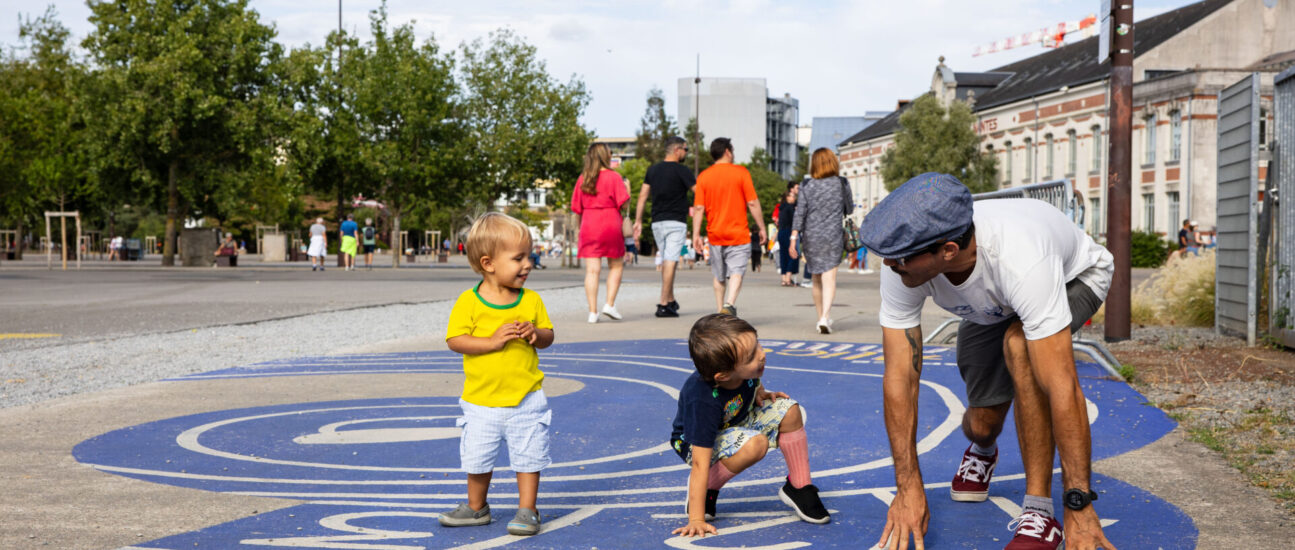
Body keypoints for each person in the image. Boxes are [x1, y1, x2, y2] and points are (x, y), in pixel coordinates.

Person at [859, 173, 1116, 550]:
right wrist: (908, 486)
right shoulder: (904, 263)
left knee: (1019, 345)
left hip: (1072, 277)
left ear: (947, 250)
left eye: (898, 258)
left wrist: (1078, 503)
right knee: (981, 425)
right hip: (992, 305)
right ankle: (983, 450)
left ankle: (1039, 512)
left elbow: (1063, 386)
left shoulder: (1021, 258)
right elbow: (900, 377)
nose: (888, 265)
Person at [441, 212, 555, 537]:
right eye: (518, 258)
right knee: (477, 459)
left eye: (529, 256)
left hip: (526, 399)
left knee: (528, 458)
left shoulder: (531, 300)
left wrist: (535, 334)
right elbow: (455, 340)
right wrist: (491, 342)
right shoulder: (469, 302)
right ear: (488, 263)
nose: (528, 264)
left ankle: (527, 509)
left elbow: (548, 335)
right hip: (481, 401)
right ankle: (476, 507)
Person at [669, 313, 830, 538]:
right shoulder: (703, 400)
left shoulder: (743, 370)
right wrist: (696, 519)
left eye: (758, 345)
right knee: (756, 445)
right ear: (723, 375)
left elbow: (751, 381)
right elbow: (699, 463)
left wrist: (761, 392)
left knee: (790, 411)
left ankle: (799, 487)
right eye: (752, 356)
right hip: (696, 443)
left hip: (736, 421)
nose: (762, 355)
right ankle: (708, 490)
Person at [692, 138, 766, 316]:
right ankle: (729, 304)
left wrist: (696, 234)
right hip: (738, 233)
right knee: (736, 271)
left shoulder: (704, 177)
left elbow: (699, 208)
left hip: (715, 234)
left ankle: (720, 311)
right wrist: (761, 227)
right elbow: (753, 203)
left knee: (718, 276)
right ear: (727, 151)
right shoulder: (741, 173)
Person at [790, 148, 852, 334]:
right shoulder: (841, 183)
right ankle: (825, 317)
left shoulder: (807, 185)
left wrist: (793, 239)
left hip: (811, 236)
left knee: (816, 279)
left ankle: (821, 318)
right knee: (829, 277)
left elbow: (800, 214)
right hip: (833, 236)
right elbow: (849, 209)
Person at [634, 136, 696, 318]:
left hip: (657, 222)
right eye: (685, 149)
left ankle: (670, 300)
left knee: (669, 261)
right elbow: (699, 191)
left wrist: (638, 220)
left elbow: (643, 196)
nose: (686, 153)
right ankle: (663, 304)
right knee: (671, 260)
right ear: (677, 150)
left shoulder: (653, 170)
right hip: (676, 221)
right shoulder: (682, 171)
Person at [571, 143, 630, 324]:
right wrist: (627, 189)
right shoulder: (614, 177)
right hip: (610, 221)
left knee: (592, 271)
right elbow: (624, 204)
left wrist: (578, 230)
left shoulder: (584, 178)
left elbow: (576, 207)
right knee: (616, 266)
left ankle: (592, 312)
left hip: (590, 223)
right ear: (606, 156)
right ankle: (609, 304)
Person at [776, 182, 801, 287]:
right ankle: (788, 277)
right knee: (792, 254)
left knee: (783, 255)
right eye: (792, 196)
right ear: (787, 197)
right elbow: (795, 221)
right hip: (789, 232)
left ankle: (783, 278)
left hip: (781, 232)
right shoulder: (790, 208)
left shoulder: (781, 207)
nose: (793, 198)